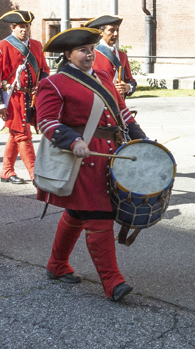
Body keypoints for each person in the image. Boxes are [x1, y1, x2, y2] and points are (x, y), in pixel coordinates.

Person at [36, 26, 147, 301]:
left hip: (112, 153)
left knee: (77, 213)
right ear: (68, 54)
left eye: (91, 49)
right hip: (84, 157)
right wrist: (73, 141)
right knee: (99, 215)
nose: (89, 55)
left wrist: (142, 140)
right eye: (83, 51)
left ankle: (56, 264)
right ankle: (112, 282)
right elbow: (46, 121)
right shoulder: (54, 83)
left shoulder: (104, 76)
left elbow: (122, 113)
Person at [0, 10, 49, 184]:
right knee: (22, 135)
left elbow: (44, 69)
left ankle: (6, 171)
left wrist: (42, 83)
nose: (24, 30)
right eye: (21, 26)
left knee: (16, 134)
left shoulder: (36, 45)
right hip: (13, 97)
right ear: (13, 27)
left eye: (27, 26)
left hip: (31, 97)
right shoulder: (1, 47)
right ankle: (36, 175)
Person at [86, 15, 137, 98]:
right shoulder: (92, 54)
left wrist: (127, 87)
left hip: (118, 105)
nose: (116, 34)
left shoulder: (122, 55)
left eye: (117, 30)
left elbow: (130, 80)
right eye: (111, 30)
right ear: (101, 32)